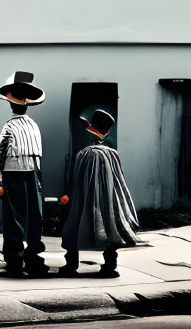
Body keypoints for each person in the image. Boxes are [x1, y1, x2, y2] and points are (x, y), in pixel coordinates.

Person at [58, 107, 140, 278]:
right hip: (108, 202)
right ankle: (110, 265)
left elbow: (76, 182)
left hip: (84, 201)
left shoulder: (85, 154)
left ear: (91, 128)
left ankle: (71, 265)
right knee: (112, 228)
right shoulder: (112, 154)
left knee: (71, 228)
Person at [0, 70, 49, 278]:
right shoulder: (34, 126)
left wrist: (0, 181)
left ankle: (15, 257)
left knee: (13, 217)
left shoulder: (9, 127)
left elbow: (1, 154)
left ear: (11, 104)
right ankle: (33, 256)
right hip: (33, 175)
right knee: (35, 216)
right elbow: (39, 157)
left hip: (13, 174)